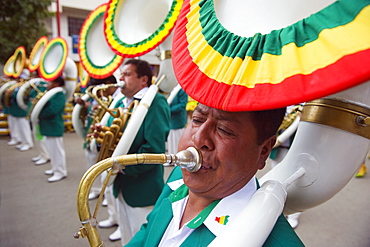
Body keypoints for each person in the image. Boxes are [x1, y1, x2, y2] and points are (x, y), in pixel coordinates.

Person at [125, 103, 304, 246]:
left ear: (263, 151)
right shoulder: (178, 177)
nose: (198, 139)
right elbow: (150, 232)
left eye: (225, 130)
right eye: (196, 119)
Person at [90, 59, 170, 245]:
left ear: (143, 80)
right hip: (121, 185)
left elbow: (154, 149)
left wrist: (122, 167)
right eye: (121, 74)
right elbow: (116, 137)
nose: (120, 78)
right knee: (127, 237)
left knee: (141, 239)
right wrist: (102, 138)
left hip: (142, 187)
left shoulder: (155, 102)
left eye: (126, 74)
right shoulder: (122, 101)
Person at [39, 76, 68, 182]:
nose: (48, 84)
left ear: (57, 83)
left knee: (56, 150)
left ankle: (60, 171)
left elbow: (53, 110)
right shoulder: (51, 93)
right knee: (51, 149)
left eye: (51, 82)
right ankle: (55, 168)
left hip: (53, 125)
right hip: (48, 125)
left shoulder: (59, 94)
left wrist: (39, 113)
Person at [166, 84, 188, 155]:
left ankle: (178, 157)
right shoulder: (170, 89)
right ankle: (171, 156)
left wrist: (168, 109)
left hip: (178, 120)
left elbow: (182, 105)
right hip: (170, 120)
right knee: (171, 140)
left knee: (177, 141)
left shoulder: (181, 89)